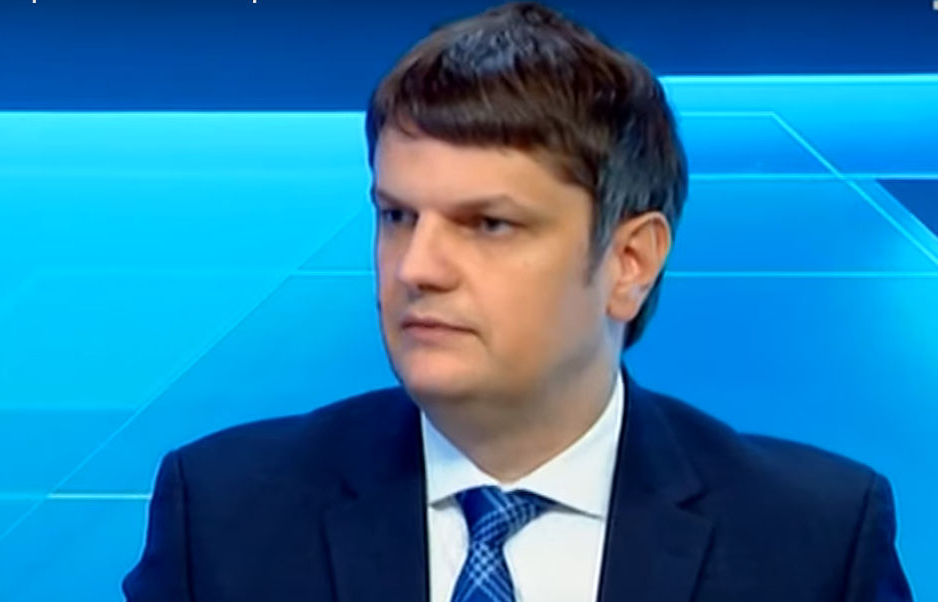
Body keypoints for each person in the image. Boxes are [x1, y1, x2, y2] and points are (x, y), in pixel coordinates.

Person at [121, 2, 913, 600]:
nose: (417, 268)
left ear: (630, 262)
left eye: (489, 224)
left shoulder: (814, 541)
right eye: (397, 217)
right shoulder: (224, 517)